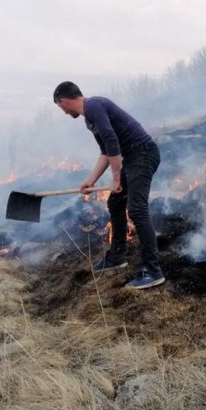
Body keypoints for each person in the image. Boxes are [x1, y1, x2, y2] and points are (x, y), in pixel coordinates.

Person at [53, 81, 165, 290]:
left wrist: (115, 179)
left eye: (61, 107)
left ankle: (153, 271)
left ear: (64, 100)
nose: (64, 112)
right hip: (133, 158)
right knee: (115, 203)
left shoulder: (94, 105)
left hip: (143, 153)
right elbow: (106, 151)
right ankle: (117, 257)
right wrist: (91, 180)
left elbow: (112, 141)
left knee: (137, 209)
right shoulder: (90, 119)